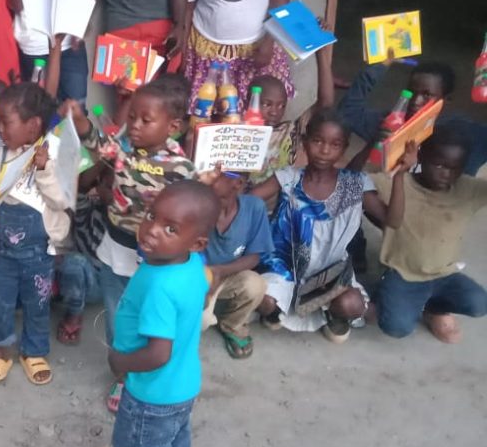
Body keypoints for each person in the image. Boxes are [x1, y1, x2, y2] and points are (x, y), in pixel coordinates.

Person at [68, 79, 194, 411]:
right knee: (117, 315)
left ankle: (151, 368)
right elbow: (99, 145)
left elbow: (190, 210)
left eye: (145, 120)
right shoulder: (125, 150)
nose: (135, 126)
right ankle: (124, 377)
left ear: (173, 126)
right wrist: (81, 122)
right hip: (115, 247)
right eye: (133, 117)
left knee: (151, 316)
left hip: (153, 258)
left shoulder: (180, 168)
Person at [103, 180, 220, 447]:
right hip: (183, 384)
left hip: (152, 393)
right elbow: (196, 304)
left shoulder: (160, 286)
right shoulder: (193, 265)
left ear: (197, 241)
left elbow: (158, 353)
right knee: (176, 436)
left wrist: (120, 363)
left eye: (171, 229)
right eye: (152, 216)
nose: (152, 231)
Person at [251, 110, 416, 342]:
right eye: (317, 141)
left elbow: (393, 220)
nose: (325, 150)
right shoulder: (288, 177)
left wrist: (400, 176)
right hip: (284, 266)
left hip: (330, 271)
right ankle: (275, 312)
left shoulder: (354, 184)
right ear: (305, 141)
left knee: (351, 304)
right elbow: (248, 201)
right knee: (261, 297)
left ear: (344, 147)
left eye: (335, 144)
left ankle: (336, 317)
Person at [0, 83, 72, 386]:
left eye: (6, 122)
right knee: (0, 300)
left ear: (32, 126)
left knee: (38, 301)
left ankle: (33, 351)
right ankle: (0, 349)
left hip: (39, 250)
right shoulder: (2, 154)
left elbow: (60, 201)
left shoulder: (55, 154)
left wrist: (44, 170)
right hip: (3, 247)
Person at [373, 128, 487, 342]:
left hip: (444, 275)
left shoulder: (468, 189)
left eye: (455, 168)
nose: (446, 174)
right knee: (396, 328)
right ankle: (384, 296)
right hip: (403, 275)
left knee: (479, 303)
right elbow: (356, 181)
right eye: (439, 164)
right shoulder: (396, 183)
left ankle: (433, 308)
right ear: (421, 155)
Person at [338, 59, 487, 175]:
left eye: (427, 95)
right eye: (411, 92)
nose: (416, 101)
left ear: (445, 100)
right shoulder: (389, 124)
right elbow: (348, 112)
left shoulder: (463, 133)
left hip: (440, 209)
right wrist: (382, 64)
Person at [243, 44, 336, 209]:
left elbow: (326, 102)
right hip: (244, 208)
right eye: (267, 104)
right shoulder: (238, 131)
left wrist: (321, 52)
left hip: (279, 210)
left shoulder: (290, 131)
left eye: (281, 105)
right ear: (249, 102)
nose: (275, 112)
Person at [202, 172, 273, 359]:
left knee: (255, 285)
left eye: (216, 174)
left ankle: (232, 325)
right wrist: (206, 279)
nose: (205, 176)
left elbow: (254, 257)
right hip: (198, 275)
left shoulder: (253, 207)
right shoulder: (197, 205)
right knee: (200, 320)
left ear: (238, 182)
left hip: (227, 273)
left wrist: (218, 272)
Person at [55, 162, 110, 346]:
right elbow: (80, 188)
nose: (114, 195)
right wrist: (104, 159)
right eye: (109, 187)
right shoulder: (89, 208)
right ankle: (74, 315)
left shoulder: (131, 224)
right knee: (74, 262)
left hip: (118, 287)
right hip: (91, 284)